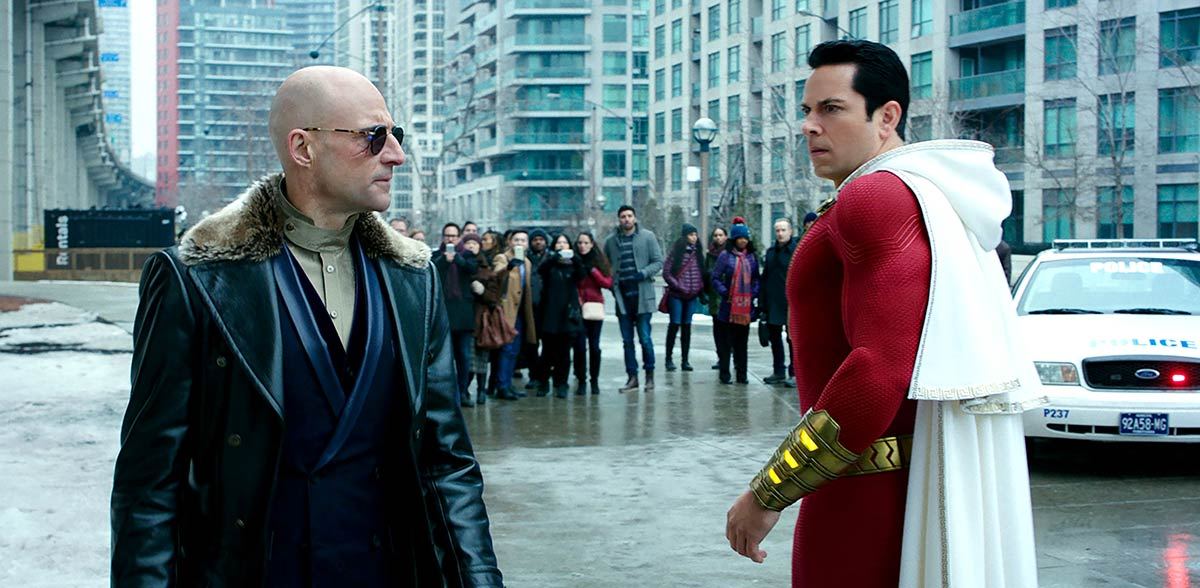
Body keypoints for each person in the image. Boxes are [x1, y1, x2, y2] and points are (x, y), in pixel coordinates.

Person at [110, 66, 502, 586]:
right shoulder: (198, 279)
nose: (395, 155)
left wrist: (479, 579)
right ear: (303, 147)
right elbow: (149, 484)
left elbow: (446, 463)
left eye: (396, 135)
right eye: (373, 136)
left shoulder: (414, 279)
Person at [723, 40, 1040, 587]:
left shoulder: (876, 198)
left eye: (831, 109)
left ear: (887, 116)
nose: (809, 126)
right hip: (890, 486)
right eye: (807, 110)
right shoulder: (924, 195)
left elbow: (877, 372)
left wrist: (769, 491)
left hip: (863, 500)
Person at [603, 205, 664, 393]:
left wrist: (643, 273)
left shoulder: (648, 237)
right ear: (619, 219)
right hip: (623, 300)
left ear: (635, 218)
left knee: (645, 339)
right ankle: (632, 377)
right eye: (623, 216)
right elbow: (605, 265)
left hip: (642, 297)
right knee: (627, 341)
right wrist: (611, 283)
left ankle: (649, 376)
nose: (626, 219)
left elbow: (658, 262)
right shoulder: (611, 241)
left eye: (629, 216)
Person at [434, 232, 482, 407]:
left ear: (459, 237)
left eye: (454, 236)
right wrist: (445, 260)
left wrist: (457, 259)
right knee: (444, 358)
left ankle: (463, 391)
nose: (450, 239)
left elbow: (472, 269)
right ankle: (446, 394)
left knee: (464, 356)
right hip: (443, 314)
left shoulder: (467, 255)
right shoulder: (436, 255)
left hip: (463, 314)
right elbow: (434, 272)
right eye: (447, 235)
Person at [710, 222, 760, 385]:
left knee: (742, 344)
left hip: (745, 308)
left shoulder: (752, 257)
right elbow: (715, 278)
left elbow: (756, 279)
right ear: (734, 239)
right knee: (726, 344)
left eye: (745, 238)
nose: (743, 241)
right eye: (740, 238)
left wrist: (752, 293)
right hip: (728, 307)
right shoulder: (725, 256)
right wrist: (726, 292)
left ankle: (742, 375)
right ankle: (725, 375)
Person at [537, 234, 586, 398]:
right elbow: (541, 271)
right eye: (559, 242)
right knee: (547, 351)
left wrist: (575, 258)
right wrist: (554, 258)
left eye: (565, 242)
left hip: (568, 313)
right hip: (550, 313)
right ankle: (543, 382)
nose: (562, 245)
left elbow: (582, 275)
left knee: (564, 353)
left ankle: (561, 383)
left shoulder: (573, 265)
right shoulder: (549, 264)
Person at [495, 229, 536, 400]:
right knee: (506, 349)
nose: (519, 243)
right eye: (516, 240)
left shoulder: (527, 262)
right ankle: (502, 385)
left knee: (514, 350)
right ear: (510, 242)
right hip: (506, 311)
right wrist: (509, 267)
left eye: (523, 240)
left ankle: (508, 383)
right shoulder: (502, 258)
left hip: (521, 311)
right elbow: (496, 275)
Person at [573, 231, 613, 395]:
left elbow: (607, 283)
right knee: (579, 347)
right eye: (580, 243)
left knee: (594, 347)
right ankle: (581, 380)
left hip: (594, 307)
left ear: (592, 244)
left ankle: (594, 380)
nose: (582, 246)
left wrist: (593, 271)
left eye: (586, 243)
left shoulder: (598, 261)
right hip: (577, 308)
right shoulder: (573, 261)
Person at [662, 223, 706, 372]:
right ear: (685, 236)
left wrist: (699, 287)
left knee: (687, 327)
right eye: (691, 235)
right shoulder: (676, 252)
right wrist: (678, 285)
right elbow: (666, 272)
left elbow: (701, 272)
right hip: (677, 295)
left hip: (692, 296)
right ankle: (669, 358)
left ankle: (685, 360)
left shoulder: (698, 252)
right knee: (674, 325)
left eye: (695, 234)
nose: (694, 237)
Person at [760, 218, 799, 386]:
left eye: (783, 230)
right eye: (777, 230)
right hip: (773, 302)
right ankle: (778, 371)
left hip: (791, 303)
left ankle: (795, 373)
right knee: (775, 338)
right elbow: (765, 278)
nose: (780, 233)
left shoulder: (796, 251)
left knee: (792, 340)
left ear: (790, 231)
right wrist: (762, 303)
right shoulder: (770, 252)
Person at [522, 228, 552, 395]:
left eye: (541, 239)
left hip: (547, 308)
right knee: (531, 344)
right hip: (530, 307)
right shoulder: (525, 259)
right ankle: (534, 375)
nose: (538, 242)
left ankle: (544, 376)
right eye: (535, 239)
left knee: (548, 345)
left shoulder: (551, 258)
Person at [703, 226, 728, 370]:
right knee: (717, 330)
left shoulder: (730, 252)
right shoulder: (710, 255)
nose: (718, 238)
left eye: (721, 235)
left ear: (726, 236)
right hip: (714, 297)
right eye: (716, 235)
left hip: (727, 296)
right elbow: (706, 274)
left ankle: (730, 356)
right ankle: (721, 357)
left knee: (728, 330)